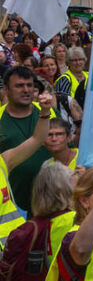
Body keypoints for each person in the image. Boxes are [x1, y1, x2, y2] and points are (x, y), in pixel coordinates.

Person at [0, 66, 55, 211]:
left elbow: (67, 152)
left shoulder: (50, 112)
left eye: (30, 85)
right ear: (6, 89)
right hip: (13, 206)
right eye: (19, 86)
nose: (26, 90)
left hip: (52, 201)